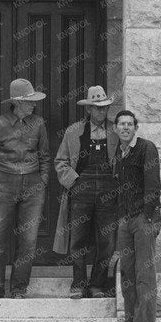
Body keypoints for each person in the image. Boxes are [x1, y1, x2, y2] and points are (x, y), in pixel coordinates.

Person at [0, 78, 49, 299]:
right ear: (17, 102)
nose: (34, 105)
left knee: (28, 239)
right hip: (5, 183)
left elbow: (45, 155)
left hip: (33, 184)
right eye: (30, 101)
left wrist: (43, 179)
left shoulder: (38, 123)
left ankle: (19, 289)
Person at [52, 85, 120, 300]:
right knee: (77, 239)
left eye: (105, 108)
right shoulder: (73, 132)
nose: (102, 112)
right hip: (81, 189)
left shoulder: (116, 131)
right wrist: (75, 181)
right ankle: (78, 284)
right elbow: (60, 161)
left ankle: (97, 285)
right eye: (97, 108)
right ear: (88, 109)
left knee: (106, 240)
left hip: (109, 191)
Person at [112, 109, 160, 322]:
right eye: (121, 124)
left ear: (136, 127)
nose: (125, 127)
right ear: (115, 128)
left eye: (130, 124)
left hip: (143, 219)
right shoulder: (118, 153)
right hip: (125, 220)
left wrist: (148, 216)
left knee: (144, 273)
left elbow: (153, 184)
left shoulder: (146, 148)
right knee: (127, 273)